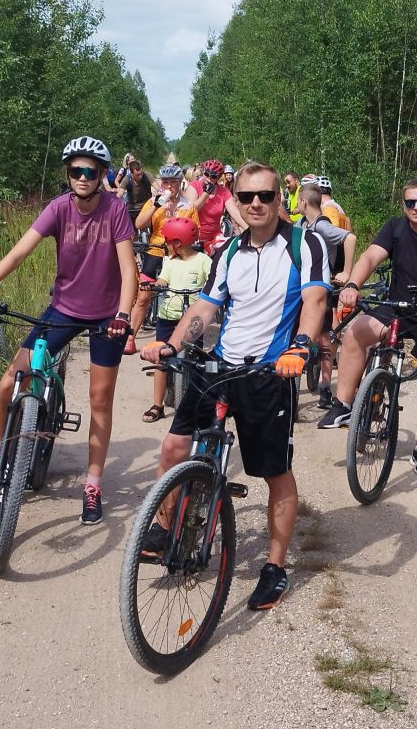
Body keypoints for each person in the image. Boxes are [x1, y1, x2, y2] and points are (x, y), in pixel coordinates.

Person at [140, 162, 329, 611]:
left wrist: (300, 347)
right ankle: (167, 528)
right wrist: (171, 344)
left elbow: (315, 300)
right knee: (172, 448)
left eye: (265, 195)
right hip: (220, 366)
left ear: (279, 198)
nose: (257, 203)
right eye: (247, 197)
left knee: (273, 473)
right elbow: (206, 306)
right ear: (236, 201)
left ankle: (274, 568)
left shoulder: (306, 245)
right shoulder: (228, 252)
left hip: (270, 372)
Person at [0, 136, 136, 525]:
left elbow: (129, 271)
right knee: (10, 380)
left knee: (100, 399)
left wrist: (124, 315)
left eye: (91, 170)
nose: (83, 176)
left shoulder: (115, 211)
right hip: (62, 308)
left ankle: (92, 484)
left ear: (103, 174)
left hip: (107, 315)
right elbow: (18, 252)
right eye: (76, 169)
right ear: (67, 173)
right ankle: (0, 449)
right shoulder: (58, 208)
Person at [327, 179, 417, 482]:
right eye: (409, 203)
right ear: (403, 206)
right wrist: (352, 284)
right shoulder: (395, 227)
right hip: (398, 304)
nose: (416, 208)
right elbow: (371, 257)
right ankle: (344, 404)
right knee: (356, 332)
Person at [140, 217, 211, 423]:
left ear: (178, 243)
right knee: (161, 360)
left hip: (192, 321)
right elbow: (163, 279)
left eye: (168, 241)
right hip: (167, 317)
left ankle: (194, 400)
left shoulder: (203, 261)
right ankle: (157, 405)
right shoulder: (170, 262)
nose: (165, 245)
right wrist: (156, 285)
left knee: (195, 359)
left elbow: (212, 280)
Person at [296, 184, 356, 407]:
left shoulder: (322, 226)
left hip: (323, 285)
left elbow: (350, 239)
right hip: (304, 285)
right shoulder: (302, 224)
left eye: (297, 201)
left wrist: (347, 272)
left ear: (303, 202)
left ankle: (324, 388)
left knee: (325, 338)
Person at [128, 163, 197, 354]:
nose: (168, 186)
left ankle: (185, 337)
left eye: (172, 182)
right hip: (156, 250)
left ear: (180, 183)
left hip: (179, 254)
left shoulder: (188, 206)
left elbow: (195, 232)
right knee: (143, 296)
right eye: (165, 182)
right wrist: (156, 205)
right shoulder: (153, 202)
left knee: (185, 294)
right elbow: (139, 224)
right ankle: (130, 337)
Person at [187, 158, 236, 254]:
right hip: (195, 237)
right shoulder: (194, 186)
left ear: (218, 178)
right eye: (206, 174)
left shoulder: (224, 192)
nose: (209, 178)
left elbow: (236, 214)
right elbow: (191, 210)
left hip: (214, 237)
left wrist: (250, 232)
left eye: (213, 176)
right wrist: (206, 193)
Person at [117, 154, 154, 227]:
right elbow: (120, 194)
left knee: (154, 227)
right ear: (131, 173)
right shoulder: (127, 179)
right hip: (133, 209)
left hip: (147, 206)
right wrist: (115, 203)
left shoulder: (147, 175)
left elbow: (158, 188)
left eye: (141, 174)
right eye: (137, 175)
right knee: (132, 234)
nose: (140, 176)